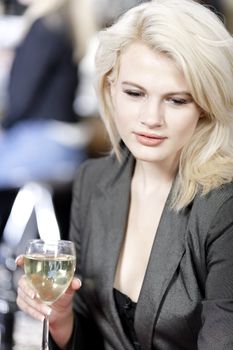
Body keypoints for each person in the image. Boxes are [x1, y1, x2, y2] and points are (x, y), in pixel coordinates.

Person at [16, 0, 233, 349]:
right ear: (109, 87)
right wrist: (62, 318)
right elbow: (90, 332)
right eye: (134, 93)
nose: (151, 118)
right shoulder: (94, 181)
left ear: (206, 107)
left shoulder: (223, 208)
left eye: (176, 100)